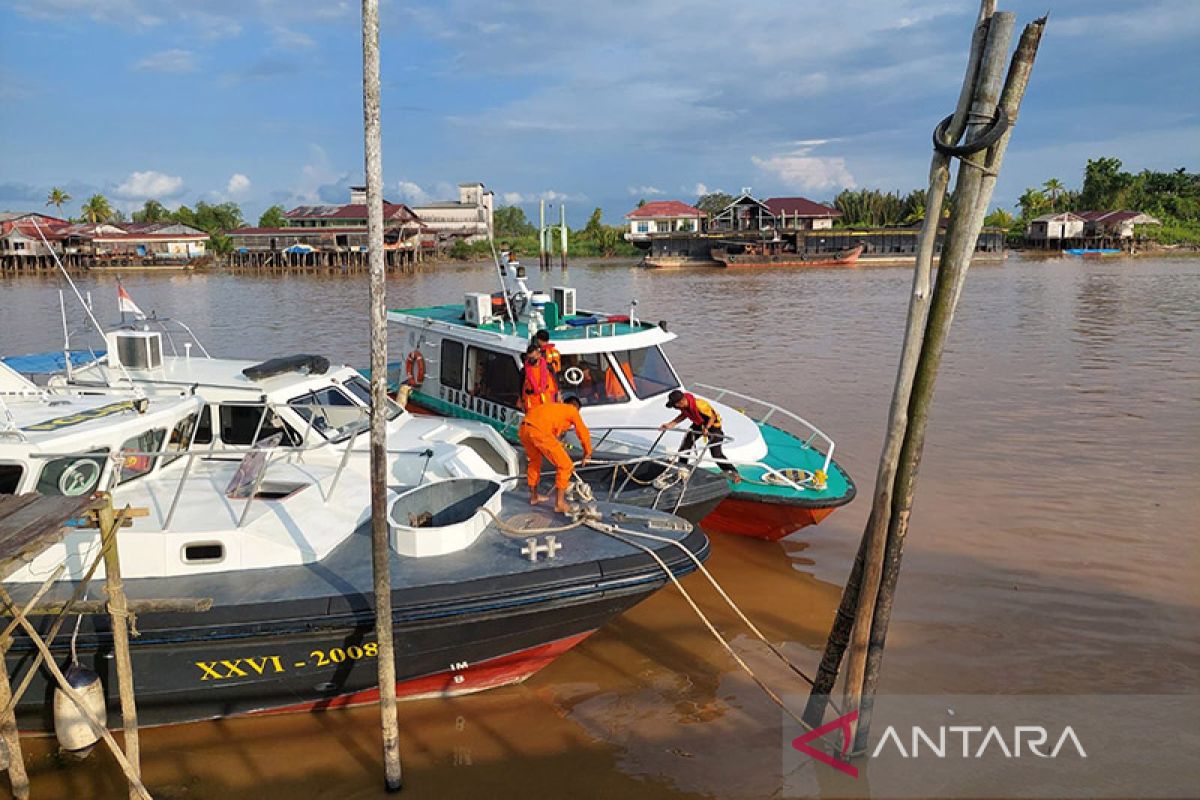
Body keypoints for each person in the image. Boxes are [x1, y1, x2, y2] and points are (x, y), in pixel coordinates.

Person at [519, 396, 592, 512]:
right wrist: (587, 452)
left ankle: (534, 497)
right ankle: (560, 504)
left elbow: (547, 425)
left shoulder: (553, 407)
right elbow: (582, 431)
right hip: (539, 431)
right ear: (576, 407)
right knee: (565, 465)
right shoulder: (572, 410)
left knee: (535, 461)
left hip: (524, 428)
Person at [660, 389, 742, 483]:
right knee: (685, 447)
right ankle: (682, 470)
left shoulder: (700, 405)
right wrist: (670, 424)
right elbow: (683, 415)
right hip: (699, 424)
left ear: (682, 401)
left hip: (713, 426)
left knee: (716, 453)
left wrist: (707, 428)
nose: (675, 408)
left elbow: (713, 417)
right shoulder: (684, 406)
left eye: (675, 405)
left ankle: (733, 472)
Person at [519, 343, 559, 410]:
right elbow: (520, 386)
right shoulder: (524, 371)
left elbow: (555, 382)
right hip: (531, 402)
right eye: (529, 358)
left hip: (546, 399)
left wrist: (558, 395)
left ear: (539, 355)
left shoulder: (548, 367)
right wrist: (522, 401)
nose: (530, 360)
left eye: (532, 358)